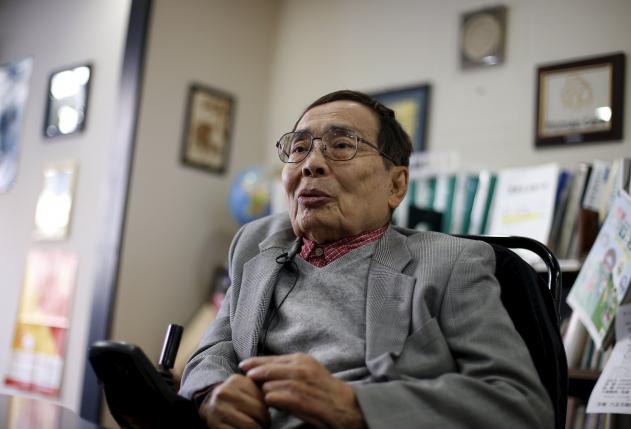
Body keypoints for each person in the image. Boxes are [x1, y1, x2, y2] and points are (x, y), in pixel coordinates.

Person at [179, 90, 554, 428]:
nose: (312, 164)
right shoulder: (256, 242)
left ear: (396, 185)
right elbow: (215, 349)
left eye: (341, 145)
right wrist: (211, 393)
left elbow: (519, 405)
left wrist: (356, 406)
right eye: (299, 148)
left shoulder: (452, 262)